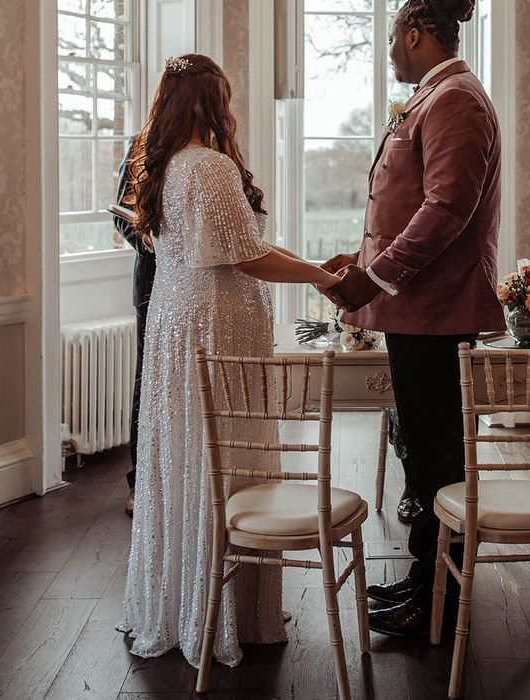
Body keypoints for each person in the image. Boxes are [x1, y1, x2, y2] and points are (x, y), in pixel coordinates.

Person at [118, 54, 340, 668]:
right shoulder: (209, 168)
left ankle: (185, 599)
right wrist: (319, 277)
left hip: (175, 327)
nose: (230, 111)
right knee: (227, 456)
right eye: (224, 99)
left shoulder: (159, 168)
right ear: (208, 102)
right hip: (215, 332)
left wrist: (313, 267)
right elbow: (246, 260)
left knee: (188, 456)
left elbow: (247, 244)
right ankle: (226, 614)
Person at [323, 0, 504, 637]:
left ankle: (440, 604)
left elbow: (446, 208)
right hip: (416, 313)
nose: (390, 51)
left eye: (394, 39)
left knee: (437, 461)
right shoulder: (438, 95)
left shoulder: (456, 98)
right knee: (425, 460)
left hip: (434, 312)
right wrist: (364, 256)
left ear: (419, 34)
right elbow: (412, 203)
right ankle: (424, 583)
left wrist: (376, 276)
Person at [113, 137, 154, 517]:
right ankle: (139, 483)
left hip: (203, 284)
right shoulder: (140, 146)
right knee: (148, 382)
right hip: (153, 286)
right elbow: (120, 216)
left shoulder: (216, 145)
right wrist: (148, 240)